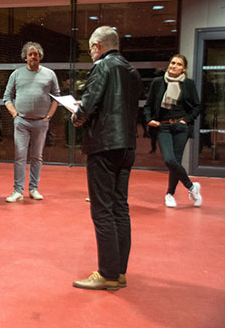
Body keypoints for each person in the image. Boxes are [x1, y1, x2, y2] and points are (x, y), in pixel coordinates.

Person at [71, 26, 142, 291]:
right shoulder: (131, 70)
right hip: (127, 146)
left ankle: (107, 274)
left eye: (90, 48)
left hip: (104, 145)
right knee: (119, 207)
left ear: (98, 46)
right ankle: (120, 272)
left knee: (101, 210)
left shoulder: (102, 67)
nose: (90, 53)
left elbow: (88, 104)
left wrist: (76, 116)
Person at [3, 42, 59, 202]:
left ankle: (34, 188)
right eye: (30, 54)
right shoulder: (16, 74)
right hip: (21, 122)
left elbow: (56, 97)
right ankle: (18, 191)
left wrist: (48, 116)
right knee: (20, 156)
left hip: (41, 122)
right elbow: (7, 97)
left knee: (37, 157)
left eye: (36, 54)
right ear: (25, 57)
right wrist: (14, 114)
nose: (33, 57)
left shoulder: (50, 74)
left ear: (40, 56)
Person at [144, 54, 202, 208]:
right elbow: (148, 105)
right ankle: (191, 187)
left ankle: (169, 194)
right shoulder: (158, 82)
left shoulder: (188, 84)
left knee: (175, 159)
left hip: (180, 127)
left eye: (178, 64)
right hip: (163, 126)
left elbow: (197, 106)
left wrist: (186, 120)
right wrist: (149, 119)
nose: (174, 66)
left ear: (184, 68)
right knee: (169, 160)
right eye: (172, 63)